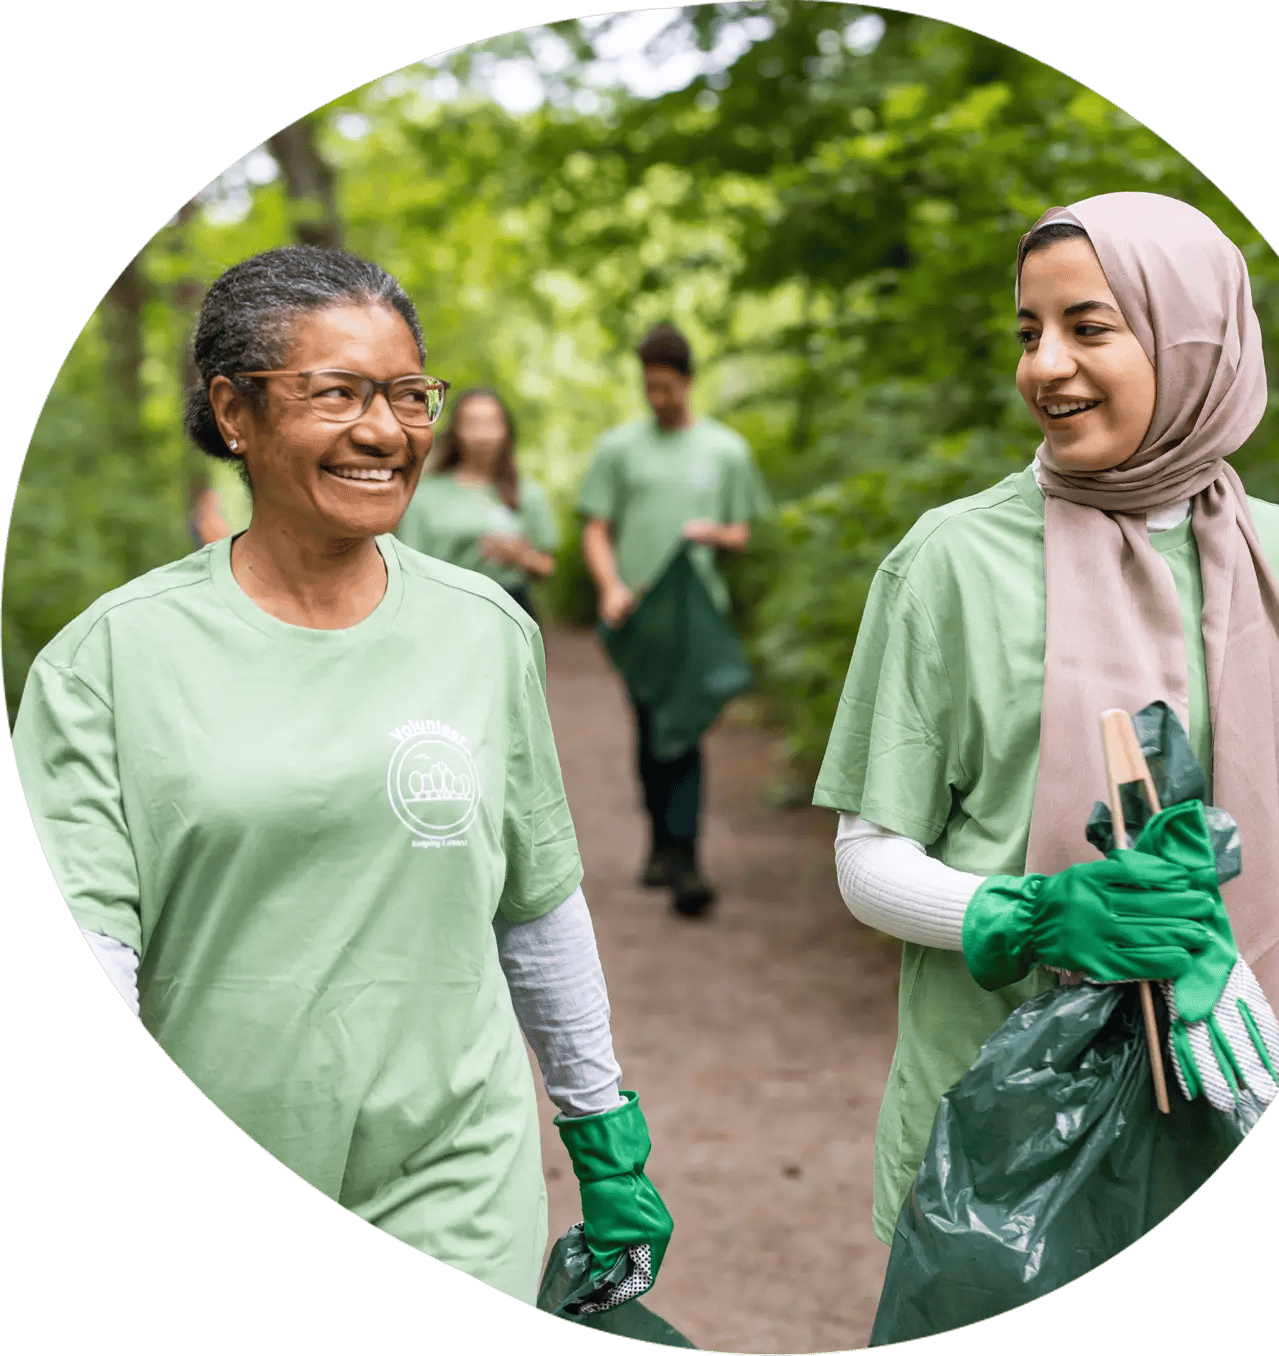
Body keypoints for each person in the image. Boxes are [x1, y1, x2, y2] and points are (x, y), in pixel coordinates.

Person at [12, 245, 672, 1307]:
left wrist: (601, 1131)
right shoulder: (108, 662)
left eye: (409, 395)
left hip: (453, 1165)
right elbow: (88, 949)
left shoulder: (483, 631)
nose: (385, 431)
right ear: (235, 410)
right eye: (339, 395)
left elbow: (536, 898)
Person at [813, 193, 1279, 1245]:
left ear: (1191, 339)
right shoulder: (947, 564)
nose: (1043, 366)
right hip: (996, 1148)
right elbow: (866, 860)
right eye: (1028, 332)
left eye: (1087, 327)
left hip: (1248, 1110)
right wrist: (1034, 914)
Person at [577, 322, 771, 917]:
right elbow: (595, 527)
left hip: (694, 613)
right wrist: (608, 586)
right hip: (638, 612)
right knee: (647, 727)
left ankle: (685, 861)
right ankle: (662, 844)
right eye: (648, 387)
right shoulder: (618, 448)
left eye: (666, 386)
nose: (657, 397)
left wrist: (708, 533)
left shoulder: (725, 451)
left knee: (683, 727)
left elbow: (741, 532)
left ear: (688, 382)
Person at [396, 386, 558, 620]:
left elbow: (546, 568)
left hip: (513, 610)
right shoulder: (423, 495)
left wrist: (521, 556)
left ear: (506, 430)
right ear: (455, 431)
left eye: (492, 422)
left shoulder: (529, 493)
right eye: (472, 423)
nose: (483, 434)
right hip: (444, 611)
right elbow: (406, 570)